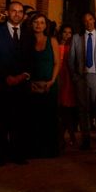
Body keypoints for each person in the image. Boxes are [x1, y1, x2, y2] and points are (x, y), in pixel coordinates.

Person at [0, 1, 33, 166]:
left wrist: (24, 75)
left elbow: (31, 58)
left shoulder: (28, 33)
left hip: (22, 84)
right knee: (0, 121)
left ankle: (18, 154)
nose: (17, 14)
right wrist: (6, 76)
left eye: (20, 11)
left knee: (20, 121)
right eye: (14, 11)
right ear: (7, 12)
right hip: (1, 84)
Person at [69, 12, 96, 150]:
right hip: (82, 78)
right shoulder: (76, 38)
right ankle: (85, 140)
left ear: (94, 20)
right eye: (85, 21)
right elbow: (71, 60)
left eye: (90, 19)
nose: (88, 22)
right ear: (83, 23)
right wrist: (75, 77)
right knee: (83, 110)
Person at [28, 13, 61, 158]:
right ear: (31, 24)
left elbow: (57, 63)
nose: (38, 25)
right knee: (33, 118)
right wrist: (29, 82)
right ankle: (34, 149)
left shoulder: (52, 41)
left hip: (49, 84)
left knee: (49, 118)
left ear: (46, 25)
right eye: (36, 22)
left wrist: (52, 81)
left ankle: (50, 150)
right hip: (32, 85)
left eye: (42, 22)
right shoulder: (26, 41)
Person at [57, 24, 77, 148]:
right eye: (65, 32)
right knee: (60, 108)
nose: (67, 35)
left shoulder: (72, 46)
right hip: (59, 76)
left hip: (69, 78)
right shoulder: (56, 45)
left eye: (69, 33)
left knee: (68, 108)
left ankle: (69, 135)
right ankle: (63, 136)